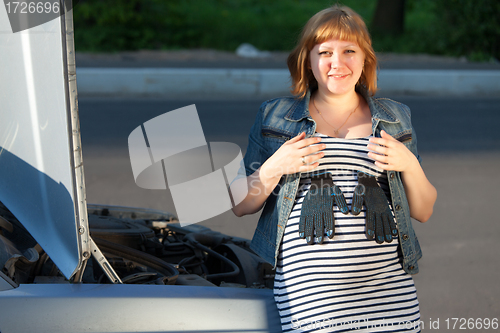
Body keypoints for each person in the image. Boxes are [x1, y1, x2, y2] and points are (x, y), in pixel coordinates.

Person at [232, 4, 437, 332]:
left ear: (365, 59)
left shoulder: (396, 118)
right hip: (311, 304)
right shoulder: (274, 116)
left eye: (349, 51)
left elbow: (424, 209)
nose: (337, 63)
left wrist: (409, 164)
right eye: (325, 51)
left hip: (389, 298)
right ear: (308, 61)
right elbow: (240, 203)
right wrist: (275, 166)